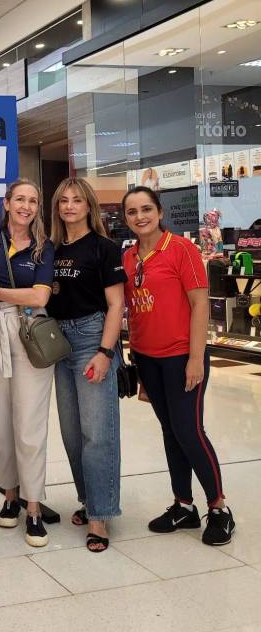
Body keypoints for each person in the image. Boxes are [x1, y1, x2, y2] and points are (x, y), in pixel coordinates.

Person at [122, 186, 235, 545]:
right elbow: (134, 309)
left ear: (159, 212)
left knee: (189, 431)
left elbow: (200, 305)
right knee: (170, 431)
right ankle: (183, 505)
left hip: (181, 356)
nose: (140, 217)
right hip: (147, 358)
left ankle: (219, 508)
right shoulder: (128, 257)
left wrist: (196, 358)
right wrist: (135, 359)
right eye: (132, 212)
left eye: (146, 209)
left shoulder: (181, 249)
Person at [0, 178, 55, 547]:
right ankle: (9, 494)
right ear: (6, 203)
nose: (26, 206)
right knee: (1, 423)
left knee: (29, 425)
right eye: (19, 199)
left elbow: (40, 297)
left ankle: (33, 506)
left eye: (33, 201)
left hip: (29, 334)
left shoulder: (43, 247)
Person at [48, 177, 126, 553]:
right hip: (58, 343)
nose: (69, 206)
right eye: (63, 200)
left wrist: (105, 352)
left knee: (98, 433)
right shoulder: (50, 249)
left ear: (89, 206)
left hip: (91, 339)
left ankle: (100, 514)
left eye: (77, 200)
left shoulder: (104, 248)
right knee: (72, 434)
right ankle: (88, 498)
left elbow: (116, 304)